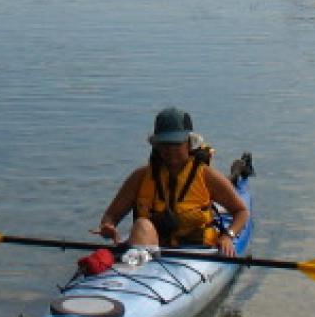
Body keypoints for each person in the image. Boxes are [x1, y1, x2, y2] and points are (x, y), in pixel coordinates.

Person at [94, 107, 250, 261]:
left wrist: (228, 236)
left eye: (176, 143)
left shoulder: (207, 176)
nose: (169, 150)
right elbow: (110, 216)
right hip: (150, 250)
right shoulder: (140, 177)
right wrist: (108, 227)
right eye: (164, 143)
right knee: (141, 224)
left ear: (189, 143)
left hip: (199, 251)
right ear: (156, 145)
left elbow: (241, 212)